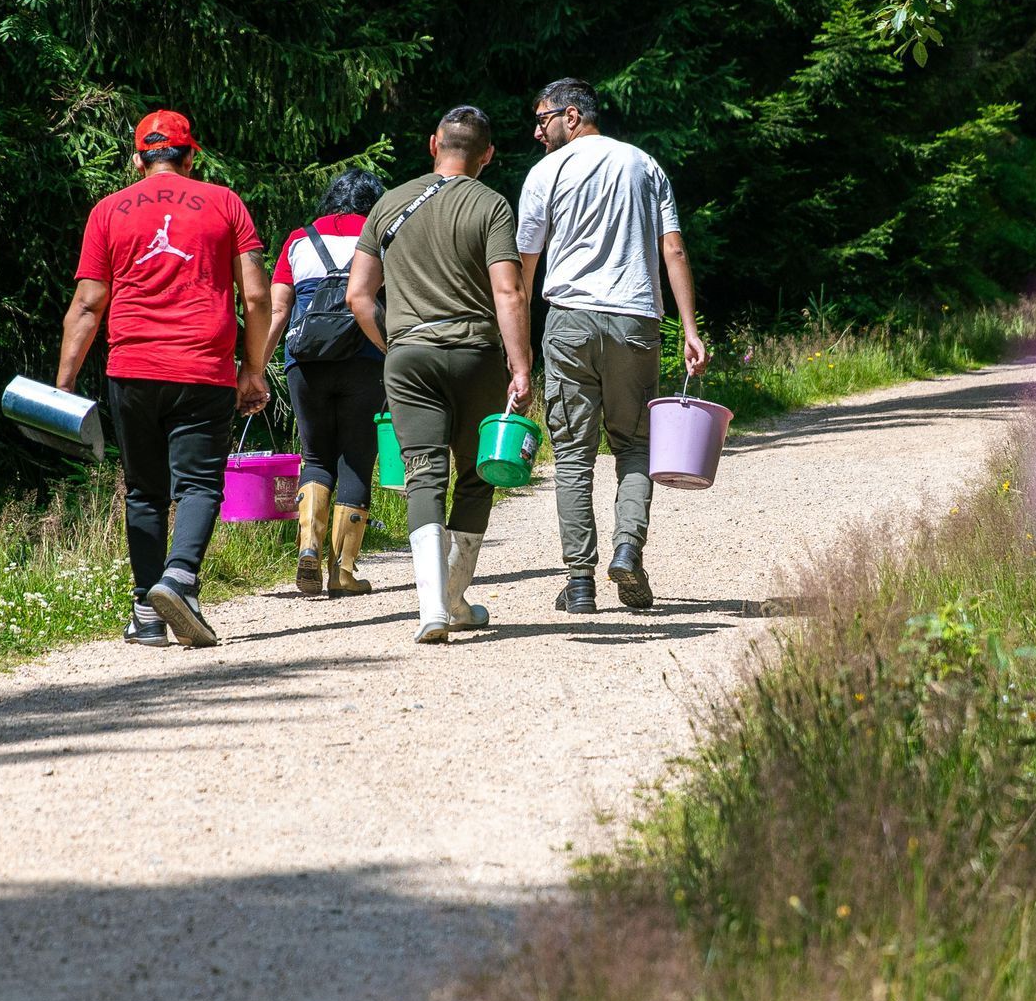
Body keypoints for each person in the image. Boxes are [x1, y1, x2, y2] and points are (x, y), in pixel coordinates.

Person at [56, 109, 272, 648]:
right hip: (203, 367)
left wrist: (61, 389)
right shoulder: (225, 203)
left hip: (131, 368)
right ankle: (180, 579)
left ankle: (147, 612)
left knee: (144, 491)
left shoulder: (108, 211)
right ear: (190, 156)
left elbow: (87, 304)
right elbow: (258, 296)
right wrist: (253, 370)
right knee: (199, 484)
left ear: (138, 158)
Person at [516, 78, 708, 615]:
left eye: (542, 119)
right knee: (635, 446)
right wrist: (689, 328)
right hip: (635, 321)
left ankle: (579, 583)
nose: (537, 132)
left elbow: (525, 267)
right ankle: (628, 549)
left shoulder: (545, 174)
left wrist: (521, 348)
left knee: (574, 455)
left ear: (571, 116)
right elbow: (673, 248)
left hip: (569, 322)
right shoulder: (645, 165)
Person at [347, 106, 533, 644]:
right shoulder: (492, 205)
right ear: (488, 155)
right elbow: (508, 291)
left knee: (422, 474)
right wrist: (519, 366)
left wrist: (395, 345)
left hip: (409, 356)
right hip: (475, 354)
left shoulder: (388, 203)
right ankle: (454, 599)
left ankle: (430, 609)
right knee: (476, 473)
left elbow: (358, 295)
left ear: (434, 143)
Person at [263, 169, 388, 597]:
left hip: (306, 362)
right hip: (365, 359)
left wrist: (255, 368)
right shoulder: (380, 237)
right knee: (355, 458)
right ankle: (344, 573)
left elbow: (278, 312)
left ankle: (308, 548)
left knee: (315, 456)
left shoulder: (299, 240)